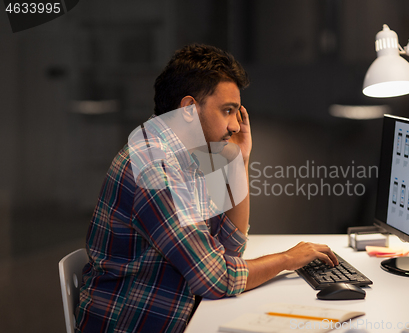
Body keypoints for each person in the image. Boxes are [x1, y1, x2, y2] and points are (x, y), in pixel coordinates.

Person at [75, 44, 338, 333]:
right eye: (228, 111)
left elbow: (229, 248)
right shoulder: (156, 168)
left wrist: (239, 162)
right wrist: (289, 259)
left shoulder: (188, 157)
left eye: (238, 113)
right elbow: (216, 279)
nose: (236, 126)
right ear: (188, 109)